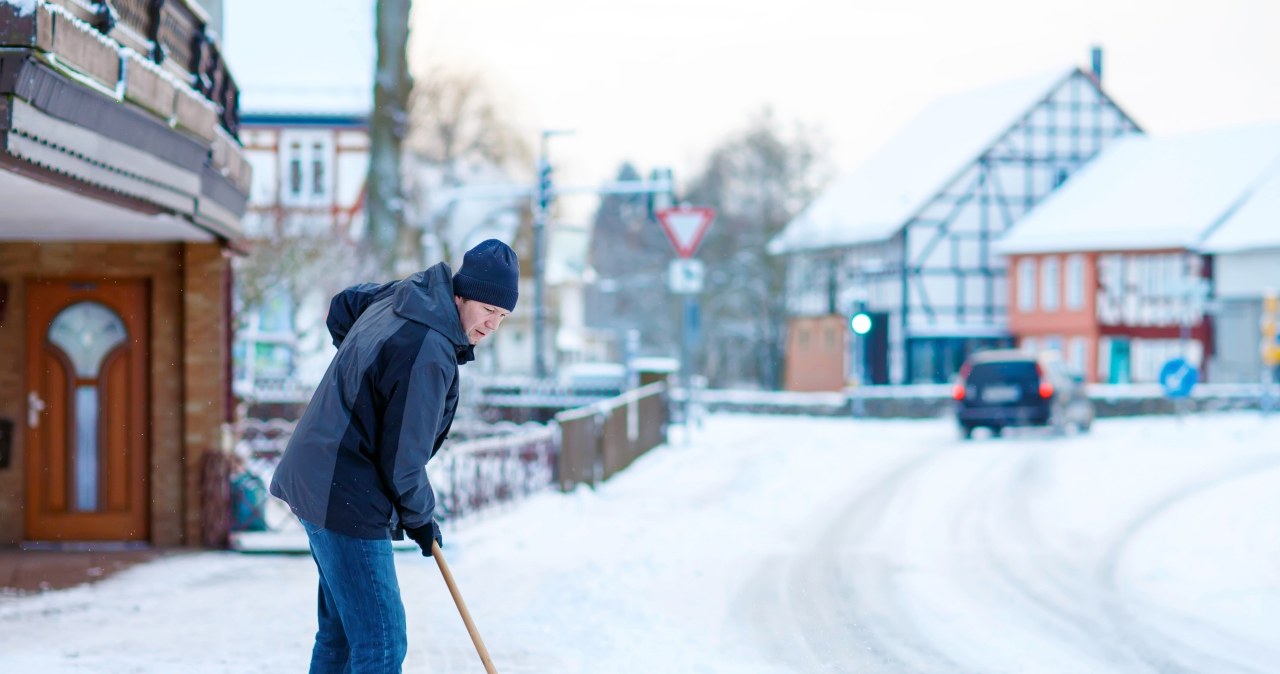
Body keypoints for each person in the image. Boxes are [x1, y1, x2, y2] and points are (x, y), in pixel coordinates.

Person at [270, 239, 519, 674]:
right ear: (461, 295)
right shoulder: (430, 350)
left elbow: (343, 307)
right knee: (382, 643)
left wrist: (367, 376)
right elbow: (403, 461)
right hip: (344, 492)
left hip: (319, 477)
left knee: (342, 636)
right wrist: (421, 519)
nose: (492, 324)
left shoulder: (406, 297)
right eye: (487, 309)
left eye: (502, 316)